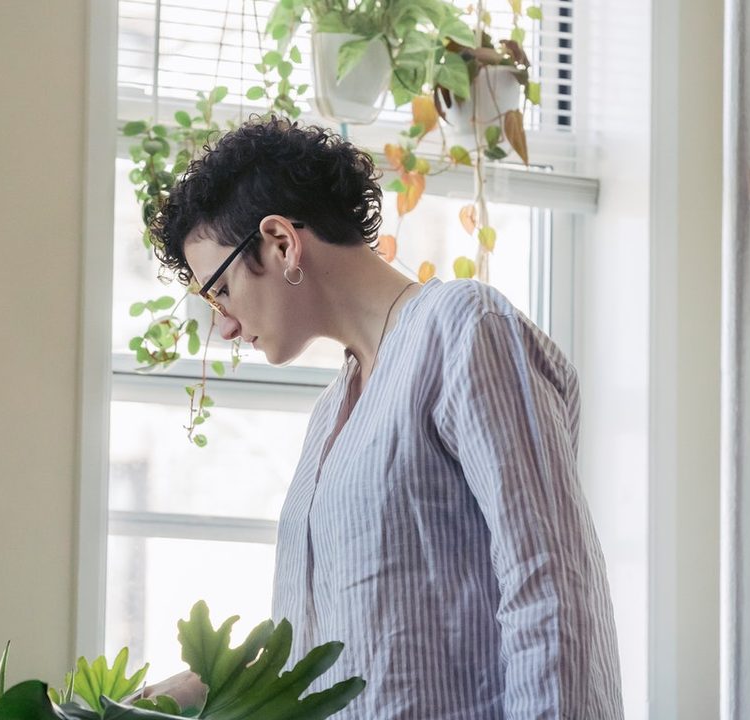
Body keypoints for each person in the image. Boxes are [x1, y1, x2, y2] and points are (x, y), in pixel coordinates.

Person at [142, 117, 624, 719]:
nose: (226, 325)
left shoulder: (464, 329)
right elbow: (329, 638)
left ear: (281, 241)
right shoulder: (331, 414)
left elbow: (550, 588)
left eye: (219, 290)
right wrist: (191, 689)